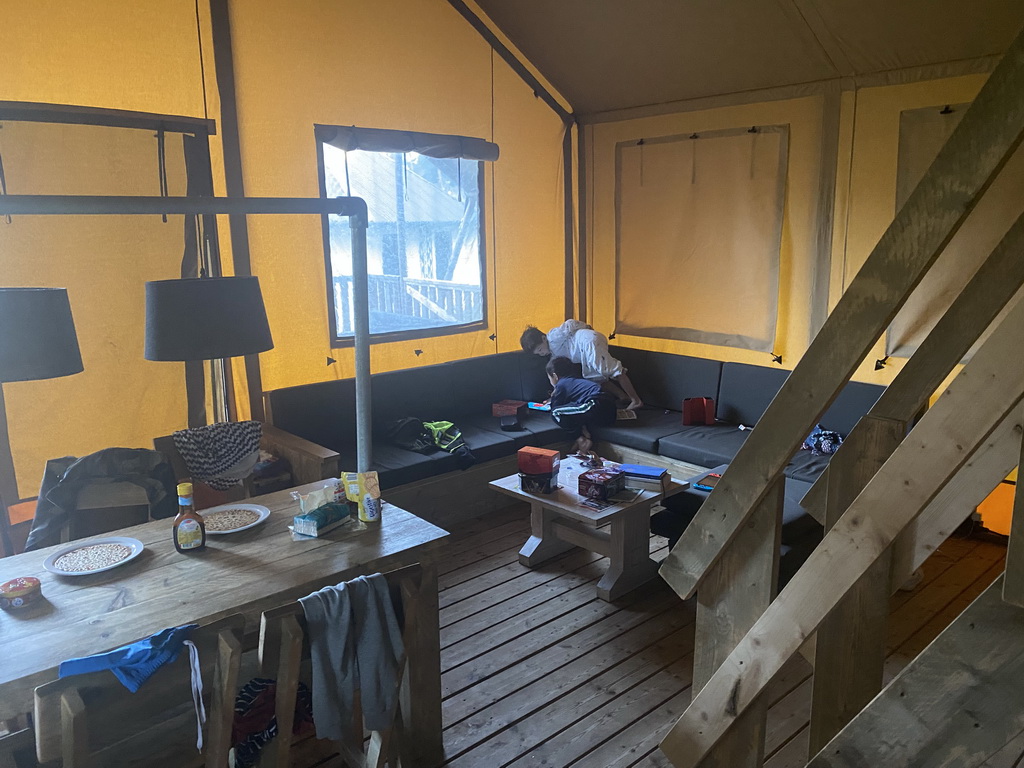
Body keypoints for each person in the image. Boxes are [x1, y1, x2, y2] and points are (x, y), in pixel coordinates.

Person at [521, 320, 643, 410]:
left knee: (609, 369)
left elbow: (569, 324)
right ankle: (622, 396)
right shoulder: (553, 355)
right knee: (594, 378)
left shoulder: (552, 336)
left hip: (588, 341)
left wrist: (586, 327)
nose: (542, 354)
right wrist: (553, 396)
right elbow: (558, 378)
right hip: (585, 349)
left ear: (543, 338)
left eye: (541, 350)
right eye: (539, 353)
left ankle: (636, 400)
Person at [546, 356, 617, 455]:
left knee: (555, 412)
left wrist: (553, 397)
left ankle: (581, 440)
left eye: (549, 378)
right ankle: (584, 434)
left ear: (555, 376)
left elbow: (555, 406)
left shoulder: (561, 384)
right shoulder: (575, 381)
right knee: (574, 409)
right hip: (609, 410)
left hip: (595, 403)